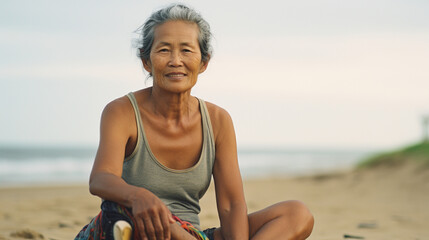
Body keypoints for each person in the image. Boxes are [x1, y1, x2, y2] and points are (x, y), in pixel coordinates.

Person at [75, 3, 314, 240]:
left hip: (191, 235)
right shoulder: (122, 112)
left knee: (296, 214)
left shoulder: (218, 121)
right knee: (121, 212)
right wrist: (139, 196)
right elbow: (101, 179)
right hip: (137, 227)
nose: (175, 61)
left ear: (204, 62)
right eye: (164, 50)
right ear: (146, 61)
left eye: (187, 51)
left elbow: (231, 204)